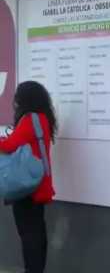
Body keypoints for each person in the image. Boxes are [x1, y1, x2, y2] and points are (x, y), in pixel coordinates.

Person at [0, 81, 56, 273]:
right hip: (38, 185)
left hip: (27, 186)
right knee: (37, 232)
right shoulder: (42, 117)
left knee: (29, 235)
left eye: (17, 97)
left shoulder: (30, 119)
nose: (15, 101)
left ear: (25, 99)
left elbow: (9, 145)